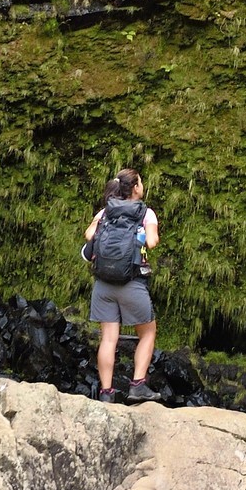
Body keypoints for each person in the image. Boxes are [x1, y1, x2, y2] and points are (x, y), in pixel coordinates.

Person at [83, 167, 160, 402]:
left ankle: (106, 393)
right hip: (131, 282)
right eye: (141, 183)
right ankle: (137, 385)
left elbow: (89, 235)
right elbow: (153, 241)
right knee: (147, 332)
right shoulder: (146, 213)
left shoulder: (105, 211)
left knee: (108, 338)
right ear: (136, 188)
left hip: (103, 284)